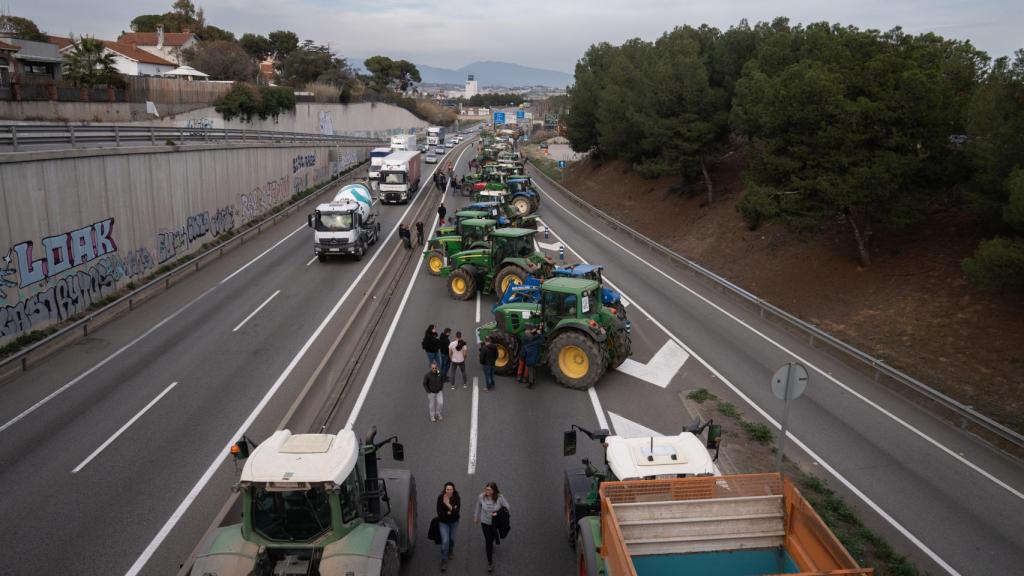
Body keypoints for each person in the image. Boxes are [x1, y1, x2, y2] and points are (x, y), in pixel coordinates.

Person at [474, 482, 510, 572]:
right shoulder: (481, 496)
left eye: (489, 490)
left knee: (493, 537)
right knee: (488, 541)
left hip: (495, 523)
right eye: (486, 489)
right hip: (485, 522)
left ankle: (492, 542)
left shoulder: (500, 497)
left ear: (494, 490)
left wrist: (497, 513)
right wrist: (476, 516)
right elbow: (478, 505)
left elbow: (507, 507)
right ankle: (490, 562)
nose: (487, 491)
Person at [437, 482, 461, 571]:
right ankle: (444, 560)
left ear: (453, 489)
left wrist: (447, 504)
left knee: (452, 539)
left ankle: (450, 551)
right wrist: (448, 512)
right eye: (447, 489)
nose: (449, 491)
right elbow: (439, 512)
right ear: (445, 489)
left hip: (454, 522)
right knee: (445, 540)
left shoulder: (457, 497)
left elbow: (456, 512)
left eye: (451, 489)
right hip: (443, 523)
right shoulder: (440, 498)